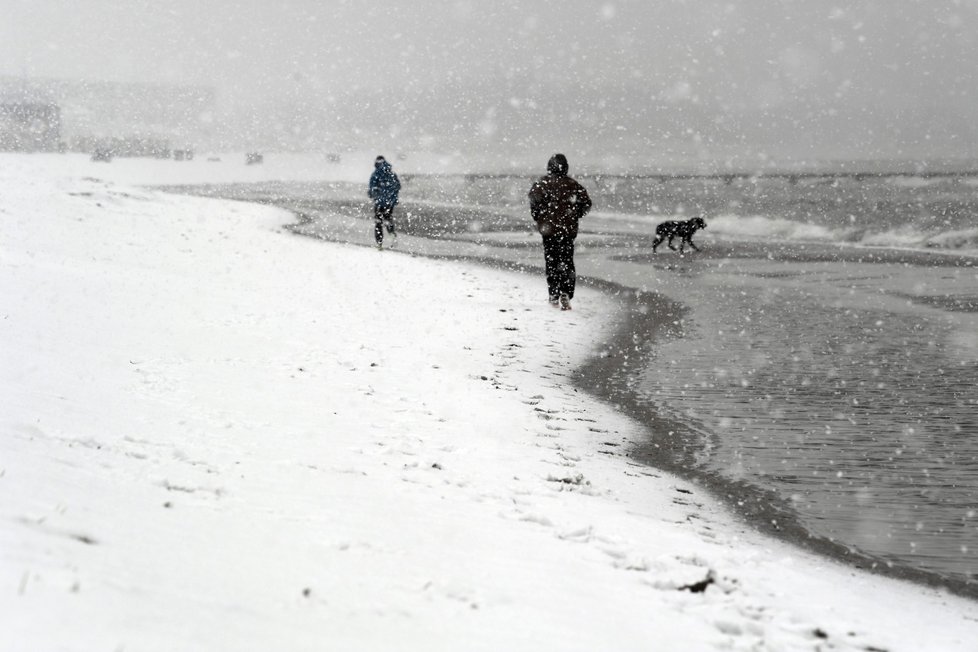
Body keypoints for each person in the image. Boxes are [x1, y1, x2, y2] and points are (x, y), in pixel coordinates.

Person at [527, 153, 592, 310]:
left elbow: (534, 203)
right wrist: (574, 214)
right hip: (567, 231)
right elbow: (586, 203)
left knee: (551, 261)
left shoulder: (541, 184)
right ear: (566, 167)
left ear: (550, 167)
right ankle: (566, 293)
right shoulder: (573, 185)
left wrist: (540, 218)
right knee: (567, 261)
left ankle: (553, 293)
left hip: (548, 231)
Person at [368, 155, 401, 249]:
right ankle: (392, 235)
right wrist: (392, 198)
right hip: (390, 203)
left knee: (378, 222)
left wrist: (373, 194)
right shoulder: (391, 173)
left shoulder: (376, 174)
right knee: (388, 219)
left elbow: (372, 188)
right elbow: (398, 186)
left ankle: (379, 243)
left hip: (380, 202)